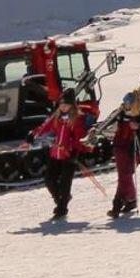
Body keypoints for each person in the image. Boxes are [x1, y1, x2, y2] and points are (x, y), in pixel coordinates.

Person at [32, 91, 92, 220]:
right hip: (56, 152)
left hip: (69, 154)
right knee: (49, 179)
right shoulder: (57, 116)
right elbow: (45, 127)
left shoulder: (77, 118)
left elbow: (79, 137)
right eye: (61, 104)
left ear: (72, 105)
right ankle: (61, 199)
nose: (63, 107)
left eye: (66, 105)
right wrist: (33, 135)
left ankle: (62, 209)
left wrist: (75, 152)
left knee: (65, 182)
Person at [109, 89, 140, 219]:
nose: (125, 105)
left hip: (132, 149)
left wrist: (139, 126)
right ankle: (131, 199)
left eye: (128, 103)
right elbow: (109, 124)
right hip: (119, 147)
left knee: (125, 176)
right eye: (124, 102)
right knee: (124, 176)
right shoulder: (119, 113)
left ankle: (116, 206)